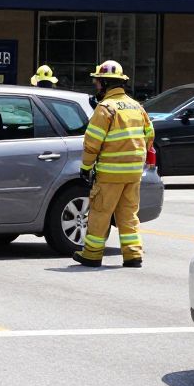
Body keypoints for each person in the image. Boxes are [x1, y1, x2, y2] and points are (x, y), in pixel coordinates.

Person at [73, 60, 154, 269]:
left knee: (100, 212)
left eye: (98, 83)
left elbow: (92, 142)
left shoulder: (105, 108)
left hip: (110, 172)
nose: (96, 86)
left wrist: (85, 167)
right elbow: (149, 135)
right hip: (134, 172)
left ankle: (91, 254)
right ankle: (133, 255)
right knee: (128, 213)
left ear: (106, 83)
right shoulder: (137, 107)